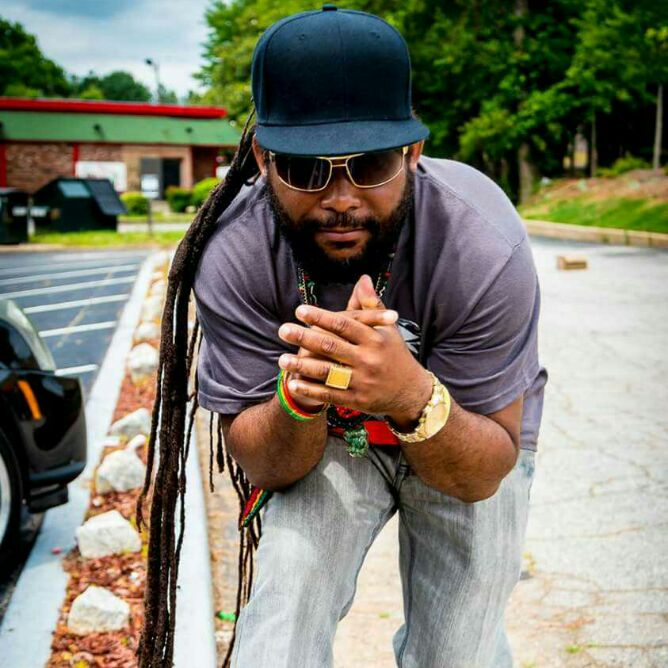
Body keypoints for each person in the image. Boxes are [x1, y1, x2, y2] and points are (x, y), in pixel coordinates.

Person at [136, 6, 548, 668]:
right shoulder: (234, 249)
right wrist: (298, 399)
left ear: (412, 153)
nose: (340, 197)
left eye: (371, 163)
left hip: (463, 430)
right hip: (329, 438)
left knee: (457, 654)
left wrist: (410, 395)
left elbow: (482, 472)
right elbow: (265, 463)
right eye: (306, 169)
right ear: (263, 159)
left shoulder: (482, 244)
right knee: (279, 627)